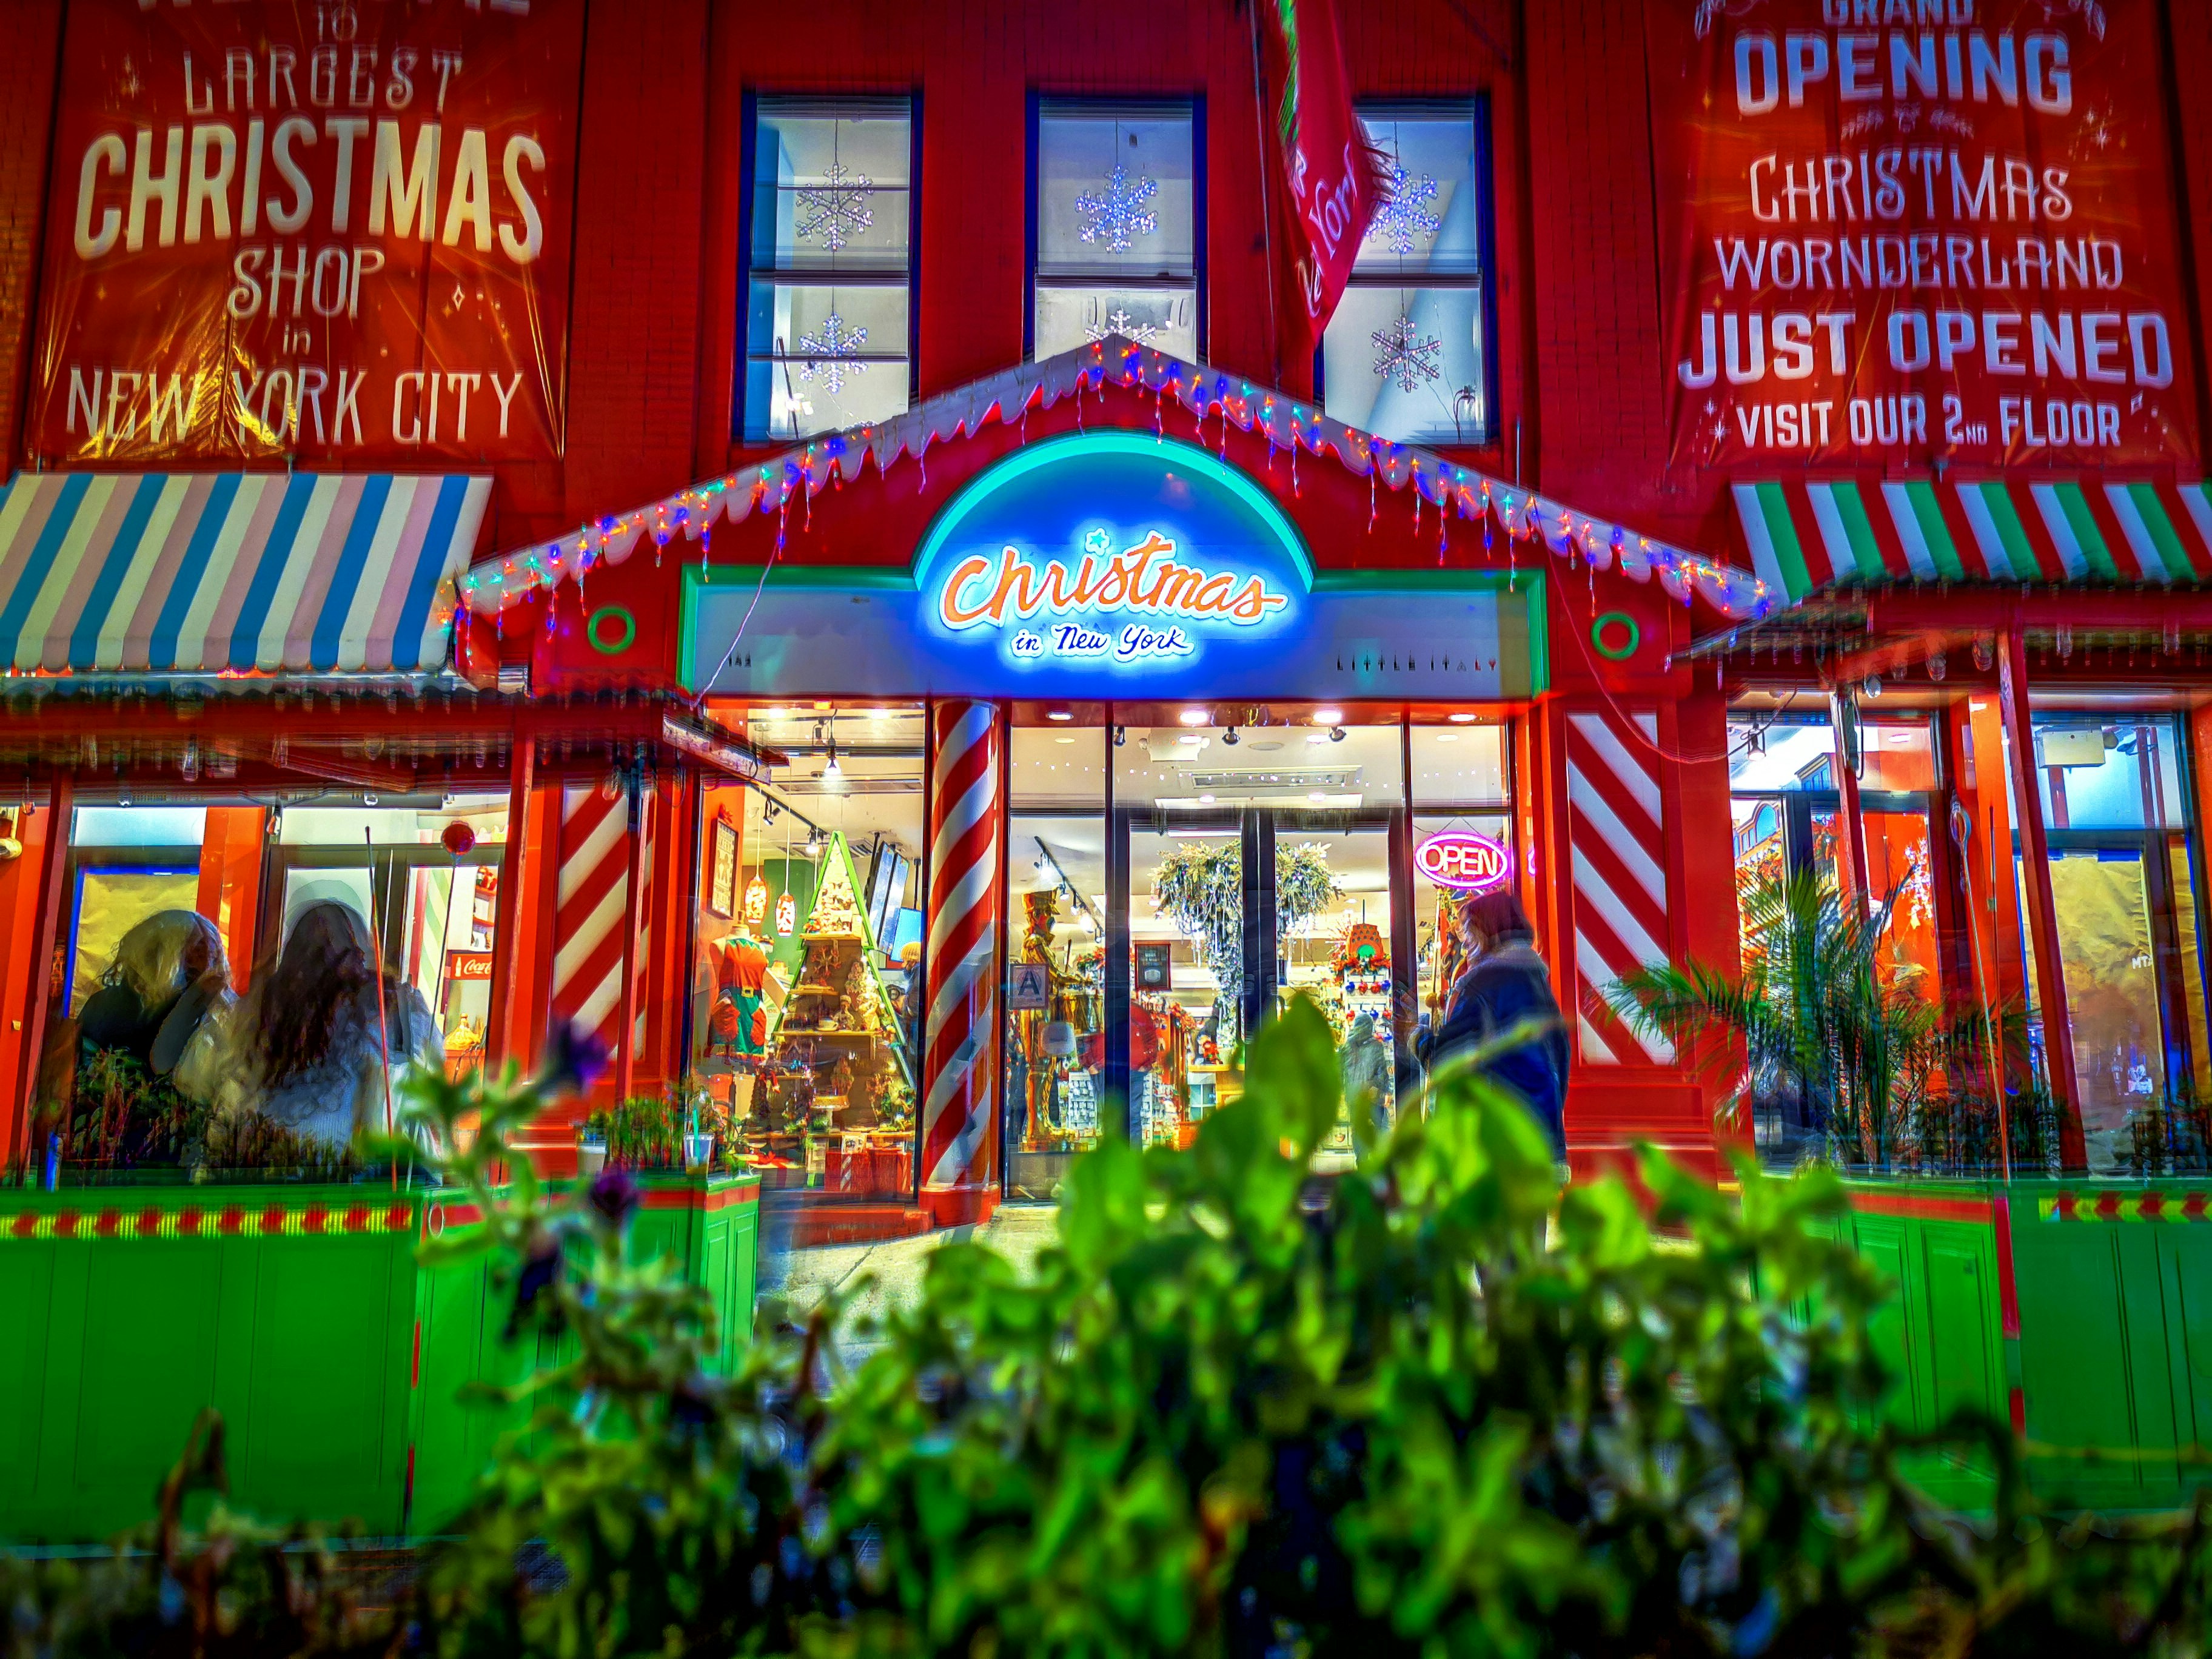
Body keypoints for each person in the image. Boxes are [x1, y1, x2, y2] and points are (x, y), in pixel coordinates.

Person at [181, 900, 442, 1153]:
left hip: (262, 1169)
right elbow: (426, 1069)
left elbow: (205, 1091)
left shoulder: (258, 1013)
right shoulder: (377, 1013)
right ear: (358, 953)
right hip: (347, 1172)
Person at [1417, 890, 1569, 1160]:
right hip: (1538, 1142)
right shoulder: (1537, 982)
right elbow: (1560, 1066)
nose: (1465, 943)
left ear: (1483, 931)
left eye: (1467, 930)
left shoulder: (1482, 985)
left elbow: (1448, 1061)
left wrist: (1417, 1037)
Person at [1339, 1011, 1393, 1131]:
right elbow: (1382, 1072)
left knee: (1358, 1130)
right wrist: (1386, 1091)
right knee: (1381, 1129)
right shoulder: (1376, 1046)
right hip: (1373, 1095)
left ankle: (1360, 1149)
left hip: (1354, 1097)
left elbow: (1338, 1073)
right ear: (1370, 1027)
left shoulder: (1345, 1048)